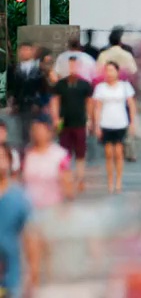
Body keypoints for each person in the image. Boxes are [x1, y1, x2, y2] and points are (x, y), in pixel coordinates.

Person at [93, 62, 137, 193]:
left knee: (118, 153)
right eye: (107, 71)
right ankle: (110, 181)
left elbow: (132, 105)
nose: (109, 73)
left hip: (120, 123)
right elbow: (98, 108)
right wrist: (96, 125)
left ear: (117, 72)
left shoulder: (125, 86)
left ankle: (119, 181)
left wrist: (132, 122)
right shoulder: (100, 88)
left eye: (112, 70)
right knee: (108, 154)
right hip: (106, 123)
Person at [50, 56, 93, 191]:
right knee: (64, 154)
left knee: (80, 153)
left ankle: (80, 179)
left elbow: (89, 103)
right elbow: (55, 101)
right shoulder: (60, 84)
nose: (72, 69)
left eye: (74, 66)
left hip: (80, 122)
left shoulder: (85, 84)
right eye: (70, 66)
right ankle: (66, 180)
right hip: (64, 123)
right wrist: (55, 118)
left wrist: (90, 119)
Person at [0, 143, 34, 298]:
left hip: (13, 277)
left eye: (1, 157)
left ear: (9, 162)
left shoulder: (19, 198)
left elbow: (30, 237)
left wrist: (32, 276)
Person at [11, 42, 45, 148]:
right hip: (20, 103)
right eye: (23, 50)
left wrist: (38, 103)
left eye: (27, 50)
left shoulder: (39, 69)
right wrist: (13, 101)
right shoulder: (14, 69)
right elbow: (12, 87)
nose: (25, 53)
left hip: (34, 103)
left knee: (34, 128)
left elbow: (42, 87)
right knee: (21, 130)